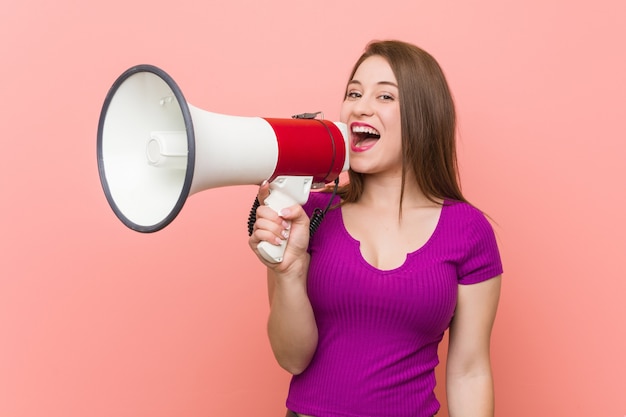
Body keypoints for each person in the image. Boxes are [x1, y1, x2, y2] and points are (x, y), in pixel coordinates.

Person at [248, 40, 503, 417]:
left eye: (385, 96)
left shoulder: (468, 231)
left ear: (423, 116)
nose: (360, 107)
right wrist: (289, 271)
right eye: (354, 92)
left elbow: (469, 371)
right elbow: (292, 359)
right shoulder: (308, 214)